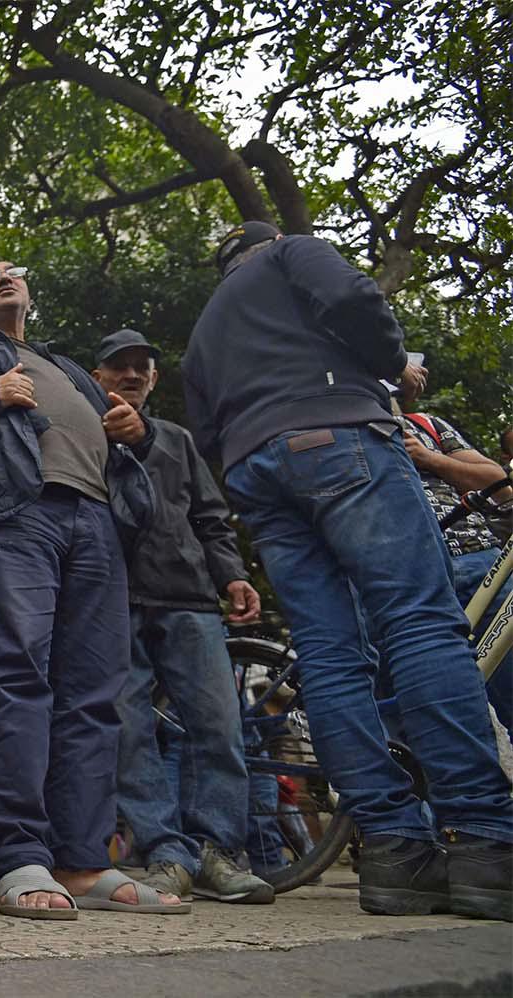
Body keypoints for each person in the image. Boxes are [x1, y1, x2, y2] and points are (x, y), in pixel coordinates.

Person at [182, 220, 512, 921]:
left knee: (332, 659)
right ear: (266, 243)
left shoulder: (208, 324)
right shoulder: (293, 251)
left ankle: (396, 850)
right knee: (420, 624)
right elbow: (358, 302)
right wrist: (387, 368)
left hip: (254, 473)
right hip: (340, 435)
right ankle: (486, 840)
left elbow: (204, 429)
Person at [0, 261, 185, 919]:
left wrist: (137, 433)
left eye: (16, 273)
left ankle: (82, 858)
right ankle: (17, 855)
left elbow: (121, 444)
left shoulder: (67, 367)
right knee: (16, 674)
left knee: (96, 694)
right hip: (14, 514)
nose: (6, 278)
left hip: (95, 520)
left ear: (31, 296)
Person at [89, 328, 274, 905]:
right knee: (129, 733)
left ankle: (218, 854)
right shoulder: (81, 431)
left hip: (189, 598)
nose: (133, 376)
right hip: (113, 601)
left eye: (143, 368)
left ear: (155, 379)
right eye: (120, 367)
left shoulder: (177, 440)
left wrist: (233, 575)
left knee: (219, 726)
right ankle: (167, 854)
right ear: (97, 377)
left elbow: (211, 517)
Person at [395, 409, 512, 729]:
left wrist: (429, 458)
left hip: (477, 560)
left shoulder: (424, 424)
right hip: (401, 579)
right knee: (437, 716)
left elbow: (499, 485)